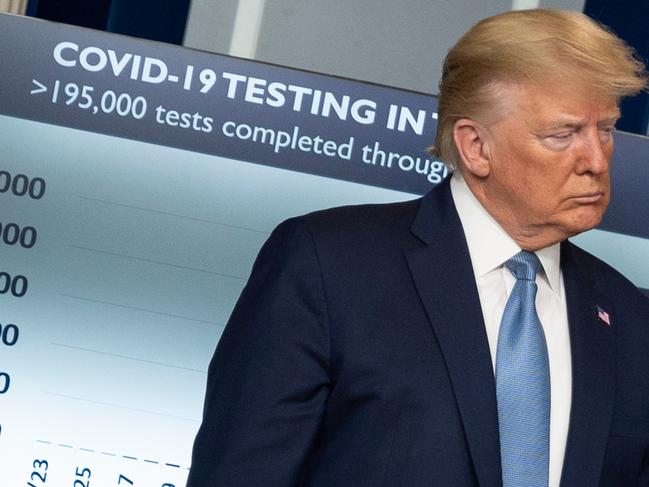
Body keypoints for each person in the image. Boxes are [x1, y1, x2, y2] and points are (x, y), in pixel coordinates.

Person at [187, 9, 648, 487]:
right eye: (563, 135)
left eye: (607, 130)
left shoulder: (631, 319)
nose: (596, 160)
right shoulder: (327, 267)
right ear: (475, 147)